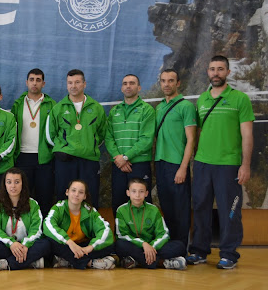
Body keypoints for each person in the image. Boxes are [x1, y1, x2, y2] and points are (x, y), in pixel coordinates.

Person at [187, 55, 254, 269]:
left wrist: (245, 165)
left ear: (228, 72)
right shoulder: (202, 100)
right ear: (208, 72)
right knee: (200, 208)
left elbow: (247, 135)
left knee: (229, 211)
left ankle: (229, 254)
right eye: (212, 69)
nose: (216, 73)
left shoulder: (240, 99)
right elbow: (197, 133)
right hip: (202, 164)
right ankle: (199, 251)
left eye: (220, 69)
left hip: (228, 165)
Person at [46, 69, 106, 208]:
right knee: (63, 196)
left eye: (77, 82)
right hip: (65, 160)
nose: (73, 86)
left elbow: (102, 133)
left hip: (89, 160)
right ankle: (63, 223)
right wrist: (62, 148)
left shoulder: (96, 108)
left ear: (84, 84)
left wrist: (89, 146)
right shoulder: (58, 108)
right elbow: (50, 135)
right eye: (70, 83)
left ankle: (89, 222)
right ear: (67, 85)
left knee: (90, 197)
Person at [154, 69, 196, 250]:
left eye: (171, 80)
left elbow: (191, 139)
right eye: (163, 81)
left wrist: (183, 167)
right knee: (167, 207)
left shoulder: (186, 106)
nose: (167, 84)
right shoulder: (159, 107)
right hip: (160, 163)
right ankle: (171, 249)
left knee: (181, 209)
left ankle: (182, 249)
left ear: (178, 83)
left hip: (177, 164)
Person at [105, 74, 155, 215]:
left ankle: (145, 230)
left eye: (132, 83)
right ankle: (119, 230)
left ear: (139, 88)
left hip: (139, 165)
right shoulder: (115, 111)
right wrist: (118, 157)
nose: (128, 86)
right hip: (118, 165)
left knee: (142, 203)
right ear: (122, 88)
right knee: (118, 203)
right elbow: (108, 137)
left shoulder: (147, 110)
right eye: (125, 83)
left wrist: (125, 157)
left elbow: (146, 140)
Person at [11, 68, 56, 216]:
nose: (34, 83)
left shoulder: (52, 105)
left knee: (45, 197)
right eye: (31, 80)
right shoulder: (18, 104)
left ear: (43, 83)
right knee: (23, 197)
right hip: (22, 156)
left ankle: (45, 228)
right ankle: (25, 227)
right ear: (26, 82)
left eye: (38, 80)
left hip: (44, 157)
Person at [0, 168, 50, 271]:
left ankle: (6, 264)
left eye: (17, 182)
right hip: (7, 245)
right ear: (5, 184)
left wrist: (24, 245)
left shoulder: (33, 204)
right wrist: (12, 243)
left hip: (27, 246)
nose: (13, 186)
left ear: (22, 184)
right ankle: (29, 261)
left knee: (45, 244)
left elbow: (36, 229)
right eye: (9, 182)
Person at [115, 178, 186, 270]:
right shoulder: (121, 210)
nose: (137, 195)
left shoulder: (154, 209)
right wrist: (143, 244)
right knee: (119, 245)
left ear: (146, 193)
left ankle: (138, 261)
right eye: (134, 191)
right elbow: (121, 235)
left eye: (141, 191)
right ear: (128, 193)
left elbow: (164, 233)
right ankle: (162, 263)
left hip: (153, 247)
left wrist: (151, 247)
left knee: (180, 246)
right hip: (134, 246)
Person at [43, 180, 115, 269]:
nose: (76, 194)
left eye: (81, 192)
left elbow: (105, 230)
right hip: (65, 245)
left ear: (84, 196)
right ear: (67, 192)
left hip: (82, 246)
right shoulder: (58, 208)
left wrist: (89, 247)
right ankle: (90, 263)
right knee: (47, 243)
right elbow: (47, 224)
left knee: (109, 245)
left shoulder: (90, 211)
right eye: (73, 190)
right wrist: (69, 242)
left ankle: (66, 261)